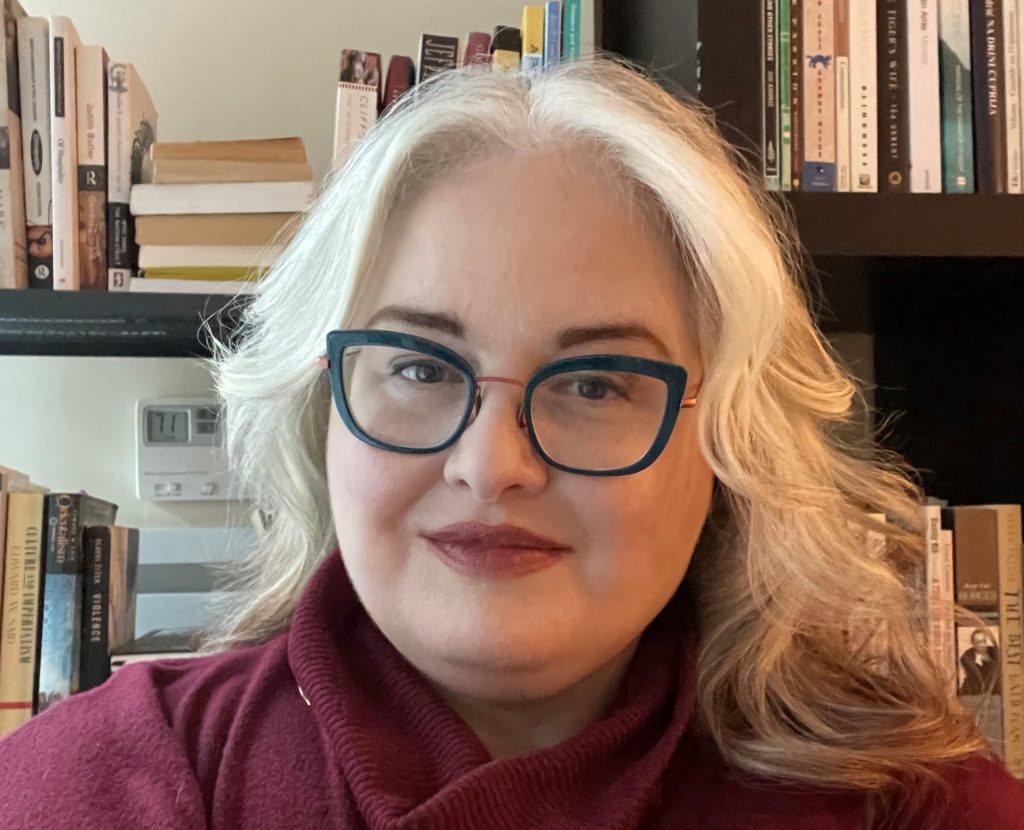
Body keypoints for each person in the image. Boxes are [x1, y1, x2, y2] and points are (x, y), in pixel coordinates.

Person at [1, 57, 1022, 829]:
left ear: (725, 441)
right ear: (322, 410)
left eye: (593, 381)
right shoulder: (116, 781)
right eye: (418, 366)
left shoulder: (908, 802)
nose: (491, 466)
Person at [959, 629, 1001, 696]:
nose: (982, 645)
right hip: (973, 696)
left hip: (994, 696)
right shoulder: (967, 659)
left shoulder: (995, 656)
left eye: (984, 641)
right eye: (979, 642)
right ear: (973, 643)